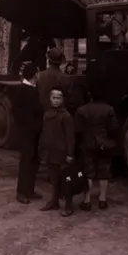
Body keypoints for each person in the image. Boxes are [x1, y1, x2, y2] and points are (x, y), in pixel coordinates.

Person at [75, 82, 119, 211]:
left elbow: (78, 129)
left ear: (90, 94)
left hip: (87, 143)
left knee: (89, 172)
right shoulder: (109, 109)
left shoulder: (82, 110)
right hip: (104, 144)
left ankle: (87, 200)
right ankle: (102, 199)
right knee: (104, 172)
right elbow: (114, 128)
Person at [39, 87, 75, 217]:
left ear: (62, 99)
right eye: (53, 98)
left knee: (66, 180)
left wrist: (70, 154)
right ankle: (54, 201)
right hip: (50, 152)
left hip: (62, 153)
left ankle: (69, 205)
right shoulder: (47, 114)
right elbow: (44, 133)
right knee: (53, 179)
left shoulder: (66, 116)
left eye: (58, 98)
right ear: (50, 98)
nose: (56, 100)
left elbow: (70, 137)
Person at [12, 62, 44, 204]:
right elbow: (18, 113)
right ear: (34, 74)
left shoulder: (33, 88)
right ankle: (21, 192)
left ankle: (30, 190)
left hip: (35, 131)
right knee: (26, 161)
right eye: (38, 72)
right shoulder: (21, 90)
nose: (39, 75)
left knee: (34, 161)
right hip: (26, 132)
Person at [37, 47, 70, 112]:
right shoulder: (65, 78)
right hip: (59, 114)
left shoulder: (40, 75)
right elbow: (68, 99)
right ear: (60, 62)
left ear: (48, 60)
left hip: (42, 113)